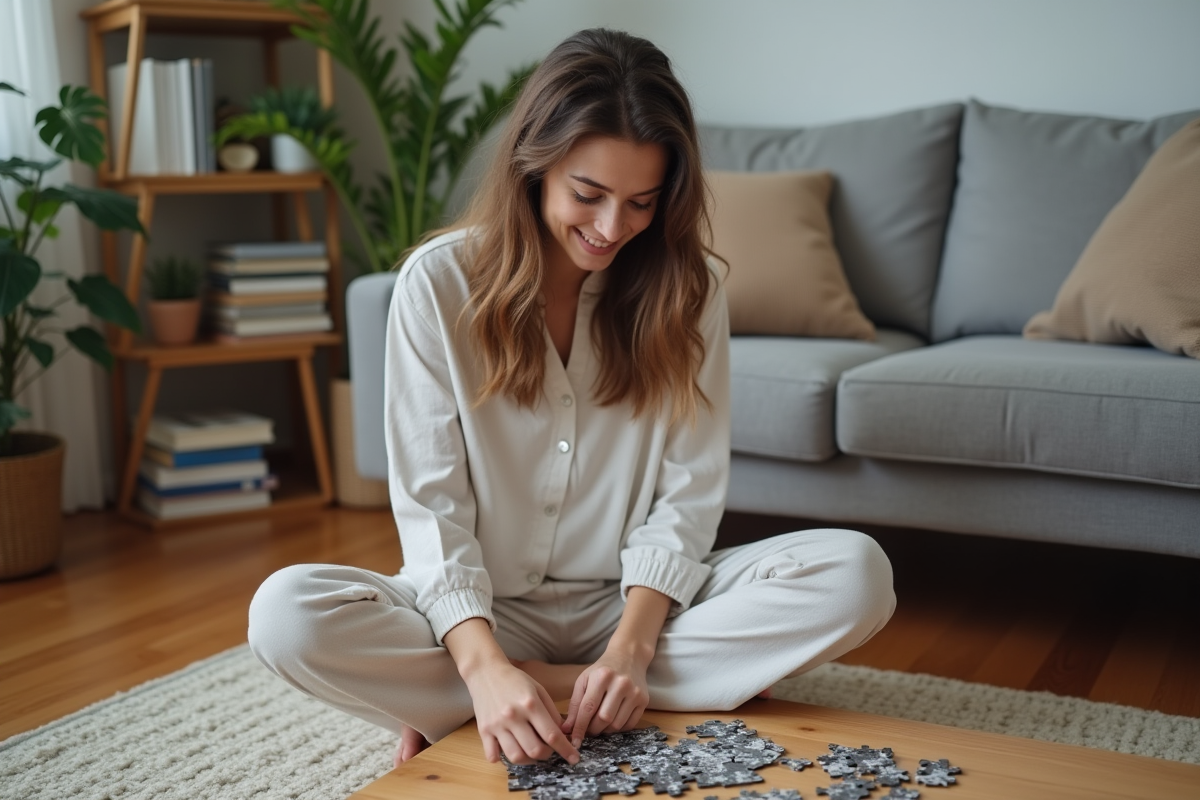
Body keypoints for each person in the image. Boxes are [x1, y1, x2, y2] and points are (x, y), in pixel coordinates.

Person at [248, 28, 895, 771]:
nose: (613, 228)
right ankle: (569, 694)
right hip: (479, 610)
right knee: (286, 617)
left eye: (642, 202)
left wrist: (631, 648)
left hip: (634, 606)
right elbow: (432, 511)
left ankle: (532, 698)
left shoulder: (693, 292)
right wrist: (485, 666)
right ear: (535, 166)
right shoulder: (436, 285)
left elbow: (688, 496)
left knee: (857, 574)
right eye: (588, 195)